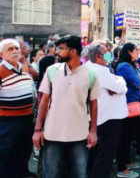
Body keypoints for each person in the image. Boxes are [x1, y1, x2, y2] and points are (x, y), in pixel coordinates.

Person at [33, 35, 100, 178]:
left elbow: (94, 104)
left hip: (79, 135)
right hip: (52, 134)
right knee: (51, 174)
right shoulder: (52, 71)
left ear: (73, 51)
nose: (57, 51)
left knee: (79, 174)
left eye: (61, 48)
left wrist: (93, 131)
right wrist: (38, 130)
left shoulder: (91, 74)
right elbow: (43, 101)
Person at [85, 44, 128, 178]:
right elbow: (121, 88)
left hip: (96, 117)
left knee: (94, 153)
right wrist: (120, 80)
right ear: (98, 56)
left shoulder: (88, 68)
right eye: (106, 53)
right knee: (105, 155)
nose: (109, 54)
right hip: (109, 118)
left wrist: (116, 82)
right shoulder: (100, 71)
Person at [0, 39, 36, 178]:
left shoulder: (23, 68)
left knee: (24, 151)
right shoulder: (1, 71)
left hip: (26, 119)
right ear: (1, 54)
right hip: (8, 122)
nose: (15, 51)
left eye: (16, 48)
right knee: (7, 155)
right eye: (10, 49)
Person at [115, 43, 140, 178]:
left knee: (129, 136)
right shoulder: (124, 66)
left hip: (135, 104)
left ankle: (127, 161)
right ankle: (121, 167)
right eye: (135, 50)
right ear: (129, 52)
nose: (138, 53)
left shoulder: (132, 65)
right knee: (125, 136)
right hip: (128, 104)